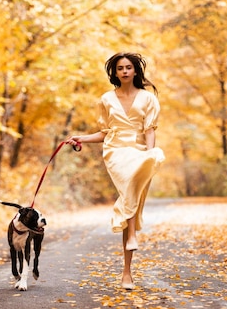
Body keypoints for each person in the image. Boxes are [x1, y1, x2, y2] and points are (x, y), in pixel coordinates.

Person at [65, 52, 165, 290]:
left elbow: (150, 130)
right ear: (115, 72)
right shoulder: (106, 100)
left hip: (140, 151)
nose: (125, 71)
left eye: (129, 67)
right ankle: (132, 236)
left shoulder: (148, 99)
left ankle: (127, 273)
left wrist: (149, 156)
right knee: (130, 193)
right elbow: (105, 133)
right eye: (120, 68)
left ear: (135, 71)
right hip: (116, 152)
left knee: (130, 200)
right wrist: (82, 138)